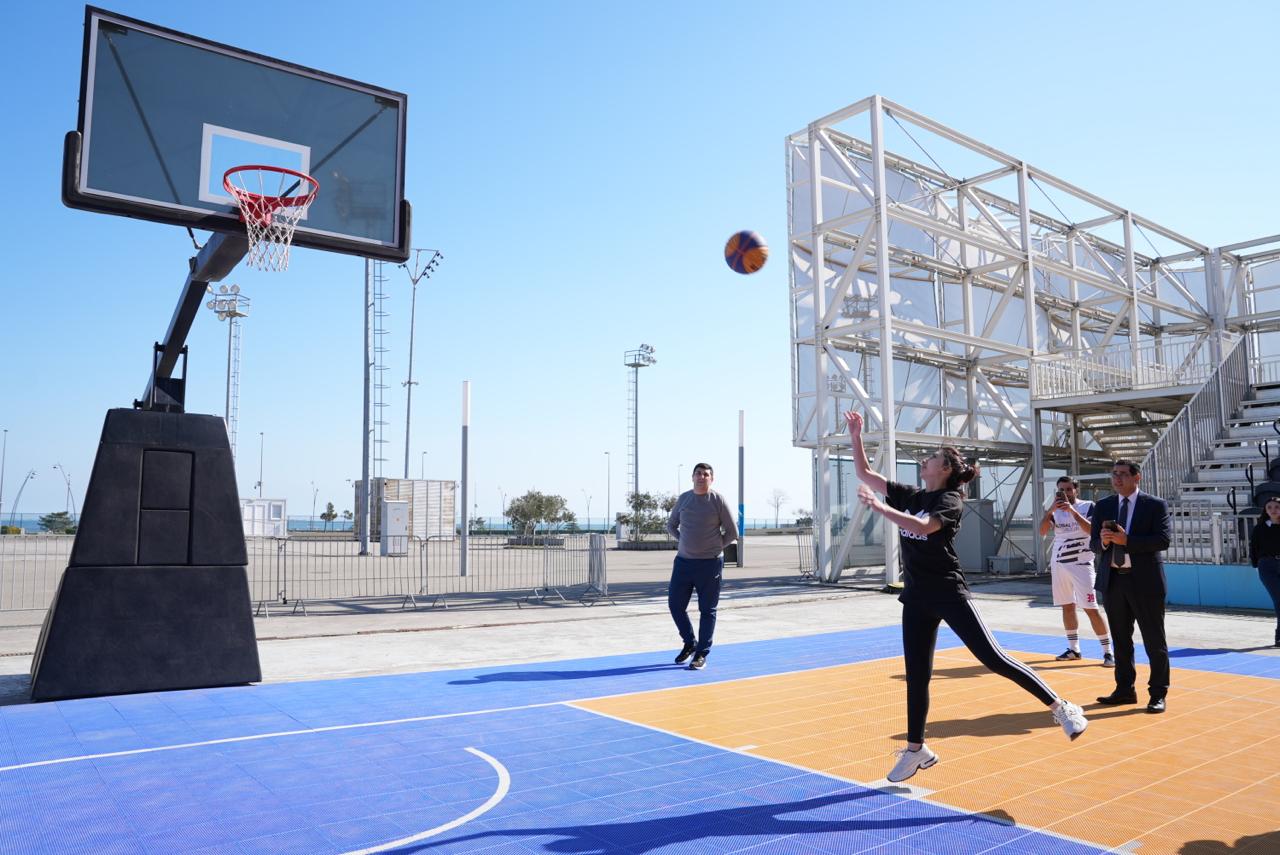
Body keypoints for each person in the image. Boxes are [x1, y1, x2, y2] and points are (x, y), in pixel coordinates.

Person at [845, 410, 1087, 784]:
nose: (924, 460)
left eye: (931, 458)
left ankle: (1062, 707)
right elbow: (865, 474)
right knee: (917, 677)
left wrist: (880, 508)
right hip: (917, 597)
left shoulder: (949, 501)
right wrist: (856, 436)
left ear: (943, 470)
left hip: (948, 591)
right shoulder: (912, 494)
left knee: (992, 657)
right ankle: (915, 750)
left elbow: (924, 527)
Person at [1089, 459, 1171, 714]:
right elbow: (1093, 544)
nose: (1117, 479)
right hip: (1114, 581)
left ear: (1137, 477)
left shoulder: (1154, 505)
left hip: (1145, 582)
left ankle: (1158, 693)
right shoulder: (1103, 506)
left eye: (1123, 474)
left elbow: (1163, 540)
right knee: (1121, 640)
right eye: (1114, 474)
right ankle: (1124, 689)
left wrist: (1128, 540)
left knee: (1154, 640)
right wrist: (1104, 542)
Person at [666, 462, 738, 671]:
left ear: (711, 479)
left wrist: (715, 547)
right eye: (698, 473)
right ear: (692, 477)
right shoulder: (684, 499)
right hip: (683, 563)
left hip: (710, 564)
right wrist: (682, 541)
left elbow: (733, 532)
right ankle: (690, 642)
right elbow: (671, 525)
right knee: (675, 605)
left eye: (706, 474)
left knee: (707, 610)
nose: (701, 477)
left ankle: (701, 654)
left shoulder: (717, 500)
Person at [1038, 476, 1113, 666]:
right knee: (1067, 606)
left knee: (1091, 608)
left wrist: (1071, 511)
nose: (1065, 493)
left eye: (1068, 489)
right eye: (1061, 490)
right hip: (1059, 563)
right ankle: (1074, 649)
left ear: (1076, 490)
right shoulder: (1054, 510)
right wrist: (1050, 511)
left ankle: (1108, 652)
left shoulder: (1088, 506)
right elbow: (1042, 531)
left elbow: (1092, 531)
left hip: (1082, 564)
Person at [1250, 497, 1280, 648]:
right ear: (1265, 510)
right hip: (1267, 566)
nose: (1273, 510)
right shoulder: (1260, 528)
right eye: (1269, 507)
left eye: (1277, 507)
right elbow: (1253, 548)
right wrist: (1256, 566)